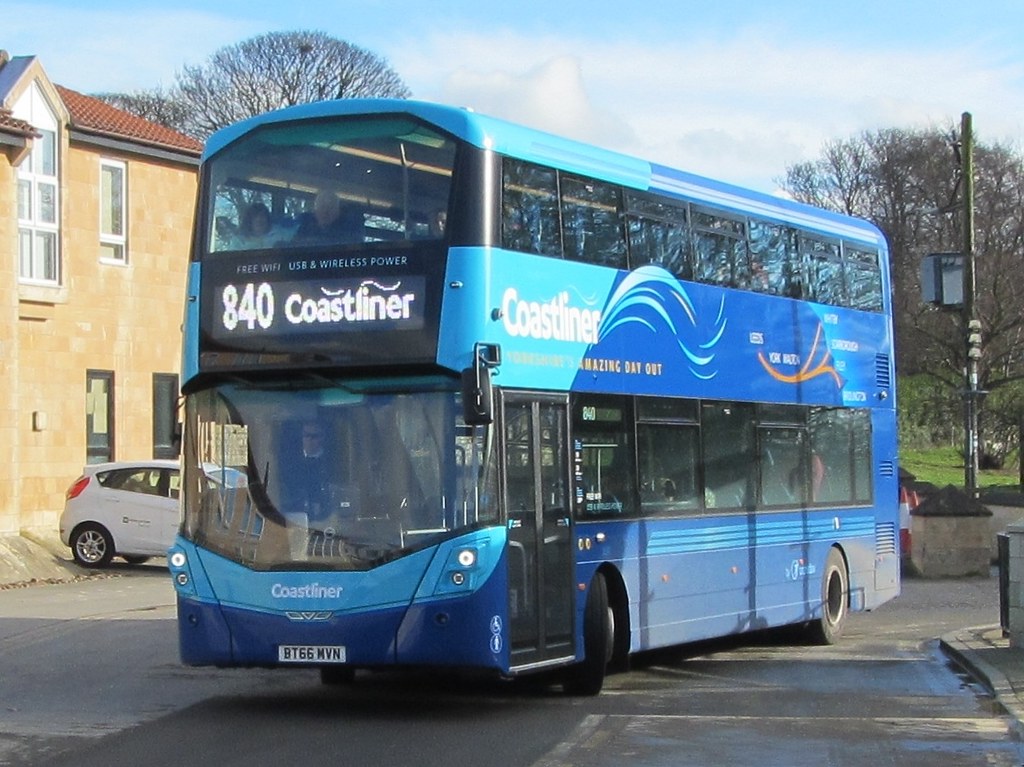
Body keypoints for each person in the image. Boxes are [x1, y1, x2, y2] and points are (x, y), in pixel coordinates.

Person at [295, 191, 363, 244]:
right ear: (315, 210)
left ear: (338, 211)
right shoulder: (303, 227)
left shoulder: (349, 231)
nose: (326, 212)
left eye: (330, 208)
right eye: (322, 207)